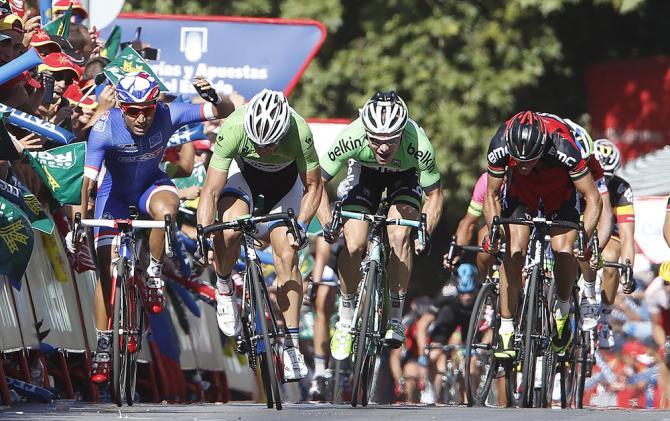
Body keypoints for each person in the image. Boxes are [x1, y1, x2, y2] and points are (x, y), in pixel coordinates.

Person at [73, 71, 235, 383]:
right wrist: (80, 222)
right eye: (133, 111)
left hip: (151, 184)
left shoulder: (167, 113)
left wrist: (213, 96)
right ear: (121, 107)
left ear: (155, 105)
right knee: (106, 271)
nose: (141, 118)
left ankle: (153, 272)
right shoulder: (105, 126)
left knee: (166, 211)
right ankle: (104, 343)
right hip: (113, 193)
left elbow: (221, 111)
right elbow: (89, 181)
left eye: (147, 109)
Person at [197, 89, 322, 381]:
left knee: (288, 253)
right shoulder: (234, 127)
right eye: (258, 143)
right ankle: (225, 286)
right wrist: (204, 233)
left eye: (270, 144)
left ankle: (291, 347)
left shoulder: (299, 131)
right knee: (228, 224)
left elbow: (314, 187)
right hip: (245, 181)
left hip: (286, 188)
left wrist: (301, 225)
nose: (264, 148)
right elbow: (211, 190)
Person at [317, 91, 444, 360]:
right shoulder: (351, 137)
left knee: (400, 235)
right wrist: (327, 222)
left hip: (404, 177)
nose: (383, 148)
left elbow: (435, 195)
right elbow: (316, 182)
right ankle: (346, 317)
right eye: (376, 141)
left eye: (390, 141)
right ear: (366, 132)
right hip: (365, 176)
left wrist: (425, 232)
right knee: (354, 244)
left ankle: (395, 317)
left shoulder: (419, 145)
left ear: (402, 133)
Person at [484, 111, 602, 358]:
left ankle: (562, 308)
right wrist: (494, 230)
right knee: (514, 251)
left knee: (564, 250)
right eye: (519, 160)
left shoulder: (563, 145)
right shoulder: (500, 144)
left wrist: (585, 235)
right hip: (521, 193)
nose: (524, 165)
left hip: (559, 193)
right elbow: (492, 195)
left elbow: (593, 199)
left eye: (530, 160)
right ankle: (506, 328)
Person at [589, 139, 636, 348]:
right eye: (597, 174)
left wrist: (628, 269)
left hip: (609, 236)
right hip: (582, 228)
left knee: (610, 258)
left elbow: (627, 237)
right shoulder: (574, 178)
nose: (601, 181)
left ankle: (605, 318)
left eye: (606, 177)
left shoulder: (621, 189)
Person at [425, 263, 477, 403]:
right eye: (463, 293)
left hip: (470, 321)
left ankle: (469, 398)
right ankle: (435, 391)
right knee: (434, 354)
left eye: (470, 293)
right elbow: (423, 323)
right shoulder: (448, 292)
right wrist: (423, 352)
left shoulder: (481, 292)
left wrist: (479, 349)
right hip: (449, 318)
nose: (466, 297)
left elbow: (488, 328)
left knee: (471, 362)